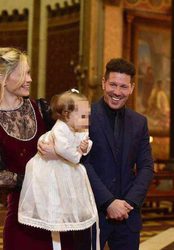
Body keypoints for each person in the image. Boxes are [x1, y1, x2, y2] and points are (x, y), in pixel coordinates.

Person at [81, 58, 154, 250]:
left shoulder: (140, 122)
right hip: (92, 212)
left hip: (128, 216)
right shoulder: (83, 116)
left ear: (131, 88)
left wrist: (128, 203)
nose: (117, 92)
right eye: (112, 84)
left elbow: (146, 167)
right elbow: (82, 164)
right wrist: (109, 202)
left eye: (123, 86)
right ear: (103, 83)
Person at [18, 90, 98, 249]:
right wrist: (77, 155)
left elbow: (86, 142)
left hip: (65, 167)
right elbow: (63, 150)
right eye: (83, 116)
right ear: (67, 115)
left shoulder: (82, 127)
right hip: (48, 168)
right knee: (52, 200)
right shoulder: (60, 129)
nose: (87, 120)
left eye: (88, 115)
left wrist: (85, 147)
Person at [0, 47, 54, 249]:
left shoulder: (42, 108)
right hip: (21, 216)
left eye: (30, 72)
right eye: (24, 74)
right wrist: (35, 180)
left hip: (54, 211)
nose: (30, 79)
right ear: (4, 78)